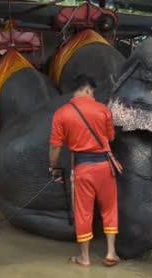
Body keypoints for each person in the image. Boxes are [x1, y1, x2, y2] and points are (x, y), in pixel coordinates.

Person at [48, 74, 120, 267]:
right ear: (87, 89)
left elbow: (55, 147)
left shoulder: (61, 113)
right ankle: (111, 252)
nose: (93, 96)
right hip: (105, 167)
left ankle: (85, 258)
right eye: (93, 92)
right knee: (109, 208)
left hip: (83, 168)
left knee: (83, 212)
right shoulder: (103, 109)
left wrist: (53, 166)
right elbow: (111, 137)